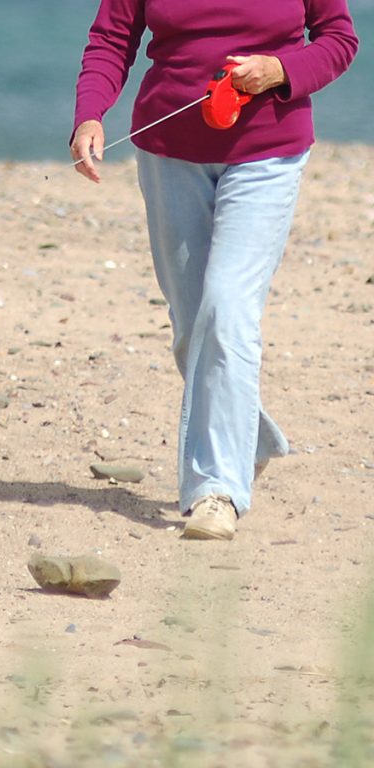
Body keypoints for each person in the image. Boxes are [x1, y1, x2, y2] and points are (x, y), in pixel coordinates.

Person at [70, 0, 358, 539]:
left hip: (268, 154)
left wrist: (281, 71)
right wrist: (90, 114)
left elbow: (339, 39)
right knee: (192, 328)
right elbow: (112, 39)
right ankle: (253, 438)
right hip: (168, 153)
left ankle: (217, 490)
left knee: (226, 311)